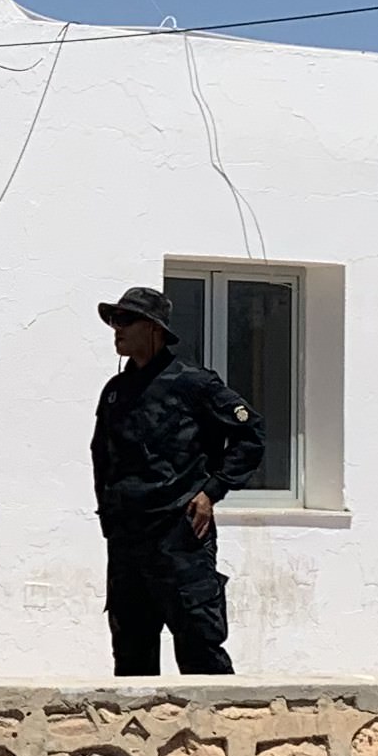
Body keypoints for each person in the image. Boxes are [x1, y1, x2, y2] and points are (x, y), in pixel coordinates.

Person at [90, 284, 268, 678]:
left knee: (200, 651)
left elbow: (250, 434)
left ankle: (217, 737)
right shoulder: (116, 392)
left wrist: (212, 491)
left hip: (181, 536)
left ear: (152, 327)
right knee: (131, 656)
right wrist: (110, 517)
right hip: (128, 542)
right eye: (114, 321)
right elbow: (101, 455)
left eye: (126, 320)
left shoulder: (193, 383)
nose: (116, 329)